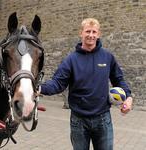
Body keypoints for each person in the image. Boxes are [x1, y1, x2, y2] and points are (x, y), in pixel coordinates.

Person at [39, 18, 133, 150]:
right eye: (87, 31)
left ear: (98, 34)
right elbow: (58, 83)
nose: (91, 35)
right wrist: (38, 88)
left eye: (94, 32)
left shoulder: (107, 57)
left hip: (103, 119)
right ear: (81, 33)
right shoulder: (71, 60)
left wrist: (128, 97)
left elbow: (119, 79)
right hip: (79, 121)